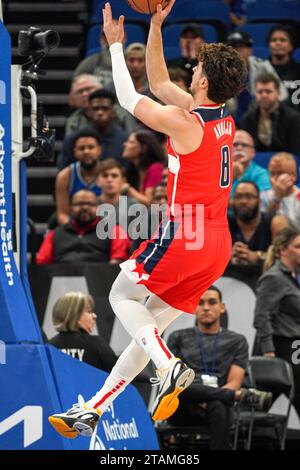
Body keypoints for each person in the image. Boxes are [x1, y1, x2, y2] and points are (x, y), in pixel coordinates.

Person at [49, 0, 247, 439]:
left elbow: (128, 96)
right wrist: (156, 24)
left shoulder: (186, 124)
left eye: (196, 67)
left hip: (186, 233)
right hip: (215, 245)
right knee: (148, 330)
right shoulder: (220, 120)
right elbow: (158, 81)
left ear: (205, 79)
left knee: (121, 298)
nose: (190, 70)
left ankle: (170, 367)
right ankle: (95, 409)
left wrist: (116, 47)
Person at [167, 286, 271, 450]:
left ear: (222, 307)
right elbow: (173, 380)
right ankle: (235, 396)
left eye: (212, 302)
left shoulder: (237, 341)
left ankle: (227, 396)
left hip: (217, 407)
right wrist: (221, 395)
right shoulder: (177, 337)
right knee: (178, 388)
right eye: (200, 303)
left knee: (219, 403)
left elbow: (235, 382)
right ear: (194, 307)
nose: (206, 307)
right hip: (183, 405)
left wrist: (209, 397)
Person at [254, 227, 300, 416]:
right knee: (259, 405)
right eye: (298, 246)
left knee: (262, 405)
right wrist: (268, 352)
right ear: (283, 250)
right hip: (279, 348)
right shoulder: (274, 277)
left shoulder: (293, 278)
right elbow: (261, 316)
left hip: (294, 347)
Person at [36, 189, 131, 264]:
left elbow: (116, 265)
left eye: (90, 204)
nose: (85, 207)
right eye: (79, 204)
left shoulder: (114, 232)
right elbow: (42, 264)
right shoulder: (54, 234)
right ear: (71, 208)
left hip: (100, 282)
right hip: (62, 283)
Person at [57, 89, 128, 170]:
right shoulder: (73, 139)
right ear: (89, 111)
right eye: (95, 108)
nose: (100, 112)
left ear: (113, 112)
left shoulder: (125, 141)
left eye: (105, 108)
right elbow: (63, 169)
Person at [48, 292, 117, 371]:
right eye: (89, 311)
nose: (94, 316)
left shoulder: (49, 346)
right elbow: (121, 377)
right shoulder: (97, 344)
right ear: (74, 315)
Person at [240, 73, 300, 156]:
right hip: (254, 164)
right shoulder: (247, 119)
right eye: (260, 92)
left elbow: (296, 152)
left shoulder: (293, 118)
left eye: (268, 91)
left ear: (278, 93)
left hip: (285, 164)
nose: (264, 95)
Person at [229, 181, 288, 265]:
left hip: (266, 276)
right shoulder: (224, 224)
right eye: (239, 197)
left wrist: (257, 256)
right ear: (232, 201)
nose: (243, 201)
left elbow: (284, 257)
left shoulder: (275, 223)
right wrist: (227, 256)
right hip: (229, 276)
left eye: (249, 197)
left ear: (259, 202)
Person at [55, 130, 103, 226]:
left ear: (99, 150)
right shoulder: (65, 176)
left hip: (104, 226)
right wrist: (77, 233)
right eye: (81, 148)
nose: (86, 151)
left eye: (91, 147)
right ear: (75, 152)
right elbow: (62, 214)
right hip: (75, 226)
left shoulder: (109, 174)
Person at [121, 129, 165, 205]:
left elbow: (150, 201)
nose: (125, 144)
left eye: (131, 142)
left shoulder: (156, 168)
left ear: (144, 148)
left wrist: (128, 189)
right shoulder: (133, 171)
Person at [261, 152, 300, 229]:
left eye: (279, 173)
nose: (274, 179)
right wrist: (277, 196)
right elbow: (262, 225)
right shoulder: (264, 195)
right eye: (272, 173)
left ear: (293, 176)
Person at [268, 24, 300, 111]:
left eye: (283, 40)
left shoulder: (298, 71)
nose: (278, 43)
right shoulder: (261, 69)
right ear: (269, 45)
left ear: (291, 46)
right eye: (273, 40)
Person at [231, 130, 271, 197]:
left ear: (253, 152)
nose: (239, 148)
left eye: (244, 145)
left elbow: (261, 202)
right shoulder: (217, 171)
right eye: (235, 145)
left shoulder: (261, 174)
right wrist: (231, 176)